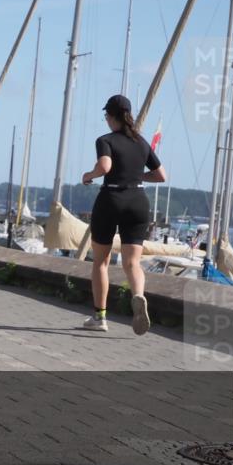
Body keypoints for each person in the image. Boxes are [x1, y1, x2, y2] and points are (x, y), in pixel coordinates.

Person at [81, 95, 167, 335]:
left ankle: (100, 317)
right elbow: (161, 175)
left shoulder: (105, 140)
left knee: (101, 261)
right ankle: (138, 296)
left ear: (110, 116)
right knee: (132, 263)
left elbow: (105, 167)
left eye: (106, 116)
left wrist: (89, 175)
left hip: (111, 199)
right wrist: (138, 176)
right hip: (138, 201)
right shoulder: (141, 142)